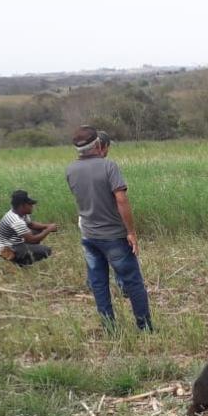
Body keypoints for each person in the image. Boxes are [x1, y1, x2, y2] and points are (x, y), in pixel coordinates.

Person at [66, 126, 153, 331]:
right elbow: (121, 199)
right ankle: (145, 327)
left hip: (88, 235)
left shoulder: (70, 170)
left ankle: (109, 327)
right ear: (97, 145)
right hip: (113, 235)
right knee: (133, 282)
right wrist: (130, 232)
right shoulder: (109, 166)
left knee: (98, 283)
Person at [0, 190, 58, 267]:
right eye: (30, 204)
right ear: (22, 206)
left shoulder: (19, 213)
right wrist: (48, 230)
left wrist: (47, 226)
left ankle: (25, 255)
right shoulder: (16, 220)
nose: (32, 206)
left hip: (14, 242)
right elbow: (32, 239)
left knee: (37, 230)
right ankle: (21, 263)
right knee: (46, 251)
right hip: (8, 249)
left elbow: (31, 224)